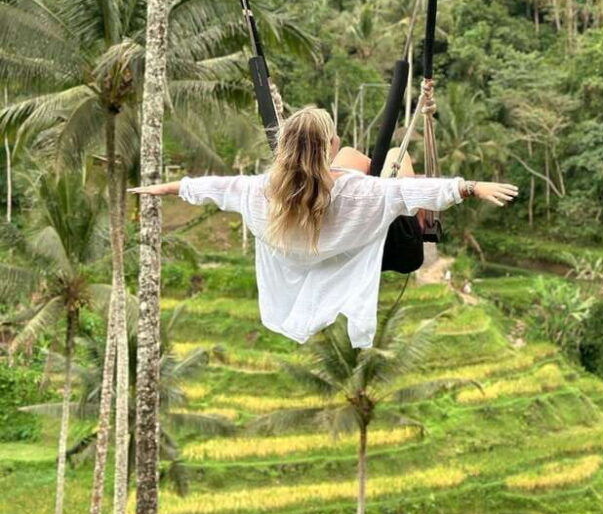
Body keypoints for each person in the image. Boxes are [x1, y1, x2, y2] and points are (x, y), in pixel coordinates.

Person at [128, 107, 518, 348]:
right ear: (329, 144)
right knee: (395, 158)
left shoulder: (264, 191)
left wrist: (164, 188)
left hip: (324, 252)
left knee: (356, 159)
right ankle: (387, 180)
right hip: (395, 251)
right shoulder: (359, 192)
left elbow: (213, 187)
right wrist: (471, 187)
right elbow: (413, 190)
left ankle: (347, 167)